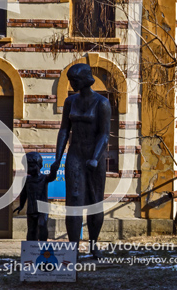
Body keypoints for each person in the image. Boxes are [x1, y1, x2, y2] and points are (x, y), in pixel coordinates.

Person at [54, 63, 111, 258]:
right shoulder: (71, 102)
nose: (72, 84)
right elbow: (64, 130)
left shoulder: (102, 103)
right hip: (75, 154)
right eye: (70, 80)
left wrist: (95, 158)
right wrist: (57, 159)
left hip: (95, 155)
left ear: (85, 80)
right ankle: (73, 249)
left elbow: (104, 135)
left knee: (95, 201)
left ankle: (94, 245)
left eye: (74, 80)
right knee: (74, 201)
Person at [14, 152, 59, 241]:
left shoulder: (44, 178)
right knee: (31, 229)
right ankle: (31, 247)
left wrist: (54, 170)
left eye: (30, 166)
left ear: (38, 165)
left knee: (42, 225)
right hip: (31, 209)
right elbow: (24, 194)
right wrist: (21, 205)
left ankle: (42, 245)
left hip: (42, 209)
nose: (28, 169)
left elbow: (52, 177)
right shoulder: (26, 180)